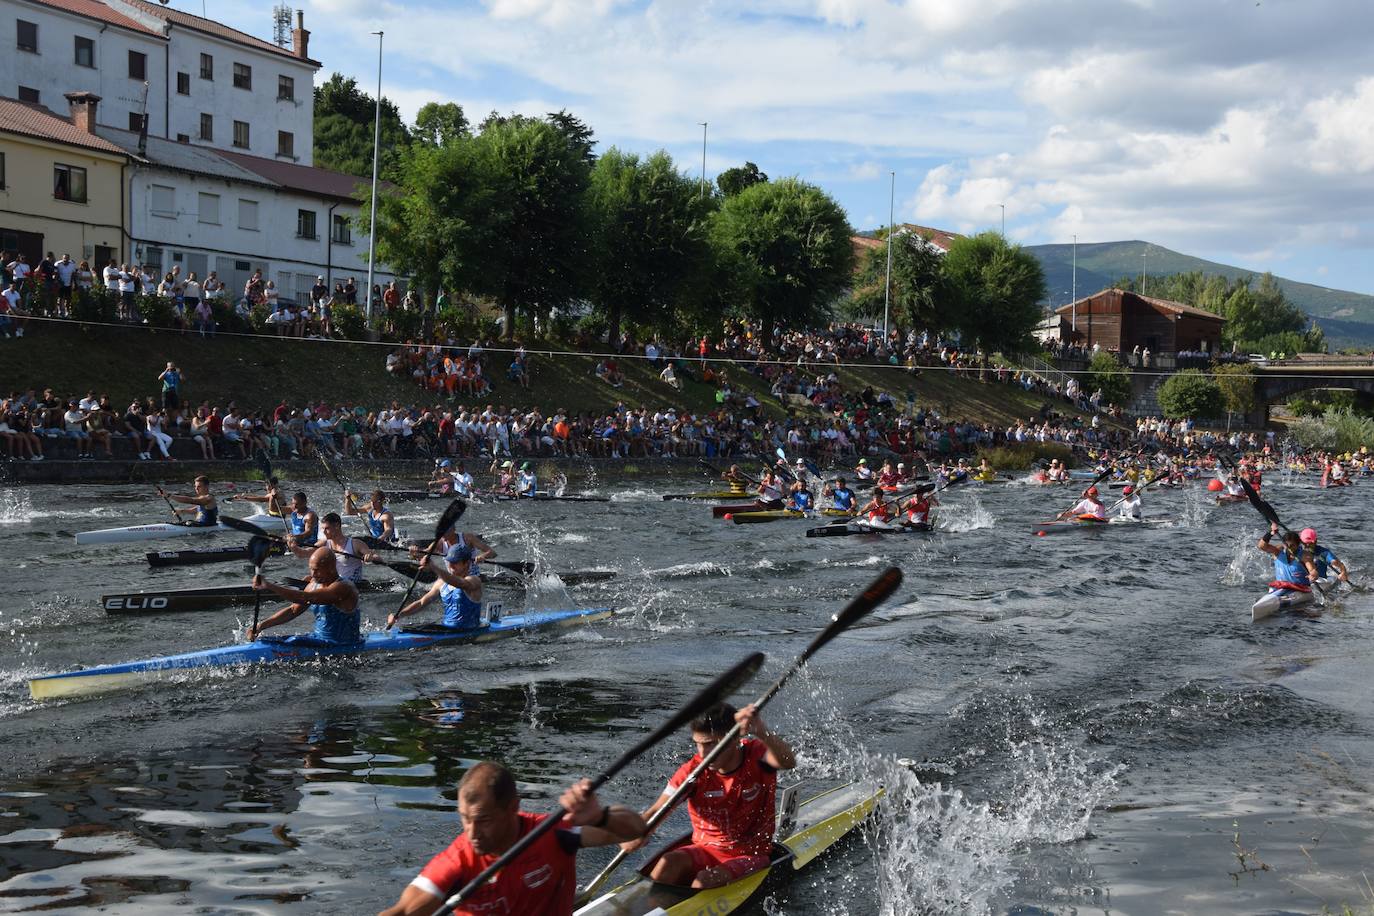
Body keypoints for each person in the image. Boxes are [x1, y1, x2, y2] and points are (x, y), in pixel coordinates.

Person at [379, 761, 646, 916]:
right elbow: (402, 911)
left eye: (483, 820)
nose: (472, 833)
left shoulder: (552, 834)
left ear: (513, 808)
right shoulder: (456, 864)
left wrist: (599, 816)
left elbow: (637, 828)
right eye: (465, 818)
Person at [622, 702, 795, 889]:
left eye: (711, 744)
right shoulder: (692, 773)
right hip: (704, 849)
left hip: (750, 854)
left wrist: (761, 731)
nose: (704, 753)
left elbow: (788, 762)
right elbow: (658, 809)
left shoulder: (757, 755)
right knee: (667, 863)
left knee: (703, 881)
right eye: (698, 744)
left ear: (735, 738)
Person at [247, 547, 360, 644]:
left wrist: (269, 586)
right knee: (266, 640)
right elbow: (293, 610)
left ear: (331, 568)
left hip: (342, 644)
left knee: (293, 640)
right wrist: (261, 626)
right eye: (311, 569)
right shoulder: (313, 585)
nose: (312, 574)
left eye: (316, 570)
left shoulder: (343, 587)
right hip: (319, 640)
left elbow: (305, 597)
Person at [389, 544, 483, 631]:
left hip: (469, 630)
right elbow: (421, 603)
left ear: (466, 563)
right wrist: (399, 615)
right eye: (449, 561)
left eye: (455, 562)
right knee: (413, 627)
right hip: (447, 629)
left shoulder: (474, 581)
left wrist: (434, 568)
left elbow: (460, 583)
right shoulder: (441, 582)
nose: (450, 565)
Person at [287, 511, 379, 584]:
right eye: (323, 529)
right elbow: (303, 554)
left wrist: (370, 557)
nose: (324, 532)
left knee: (312, 581)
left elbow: (376, 557)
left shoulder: (355, 544)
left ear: (337, 526)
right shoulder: (324, 543)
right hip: (334, 582)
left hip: (351, 585)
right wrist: (293, 546)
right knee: (307, 578)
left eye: (327, 528)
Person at [1257, 523, 1321, 598]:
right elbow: (1261, 546)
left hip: (1300, 589)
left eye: (1292, 545)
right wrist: (1270, 533)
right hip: (1281, 587)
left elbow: (1312, 570)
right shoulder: (1278, 551)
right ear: (1283, 544)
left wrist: (1313, 574)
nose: (1289, 548)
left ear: (1298, 544)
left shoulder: (1305, 556)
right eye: (1287, 545)